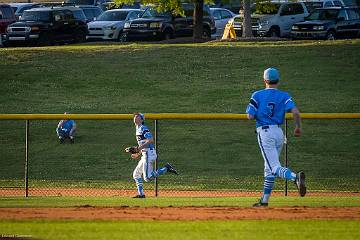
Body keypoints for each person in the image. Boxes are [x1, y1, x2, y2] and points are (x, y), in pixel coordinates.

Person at [246, 67, 306, 207]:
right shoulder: (284, 95)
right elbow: (296, 112)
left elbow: (250, 116)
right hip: (279, 133)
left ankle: (294, 177)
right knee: (269, 168)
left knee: (274, 167)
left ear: (265, 80)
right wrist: (298, 127)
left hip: (265, 133)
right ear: (278, 81)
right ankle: (264, 201)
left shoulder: (257, 95)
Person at [131, 113, 178, 198]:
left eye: (138, 116)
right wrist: (138, 153)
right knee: (136, 174)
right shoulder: (138, 129)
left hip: (149, 154)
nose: (135, 117)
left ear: (142, 120)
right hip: (145, 154)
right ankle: (141, 194)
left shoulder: (143, 128)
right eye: (135, 116)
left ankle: (166, 169)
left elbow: (151, 140)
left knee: (148, 178)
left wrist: (138, 148)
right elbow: (144, 143)